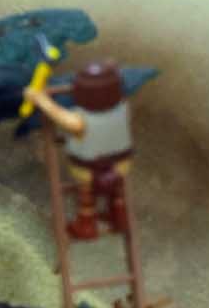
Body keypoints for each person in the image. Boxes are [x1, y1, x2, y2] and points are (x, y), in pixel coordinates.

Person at [22, 62, 132, 241]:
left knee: (86, 195)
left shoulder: (81, 120)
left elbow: (64, 119)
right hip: (120, 164)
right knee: (116, 191)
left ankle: (86, 224)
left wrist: (41, 99)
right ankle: (119, 216)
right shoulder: (122, 109)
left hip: (91, 169)